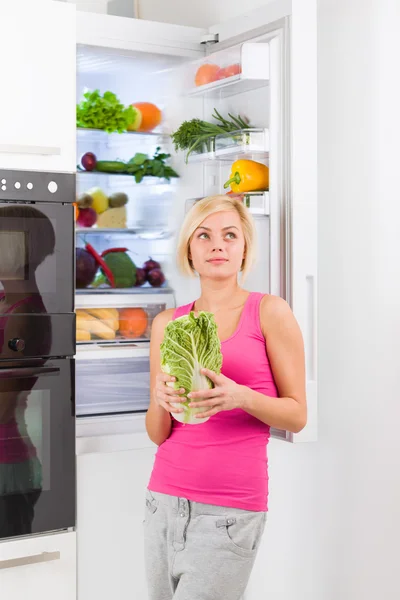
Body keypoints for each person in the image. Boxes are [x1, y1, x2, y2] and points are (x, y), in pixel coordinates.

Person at [144, 194, 307, 600]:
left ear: (244, 248)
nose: (218, 244)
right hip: (162, 501)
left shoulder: (269, 312)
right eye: (204, 235)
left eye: (229, 235)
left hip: (230, 511)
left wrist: (241, 398)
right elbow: (157, 433)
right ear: (190, 251)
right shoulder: (168, 323)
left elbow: (297, 415)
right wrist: (161, 401)